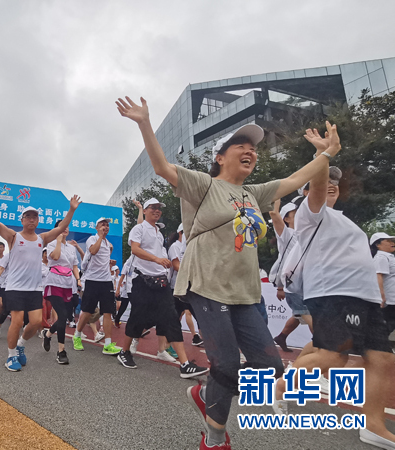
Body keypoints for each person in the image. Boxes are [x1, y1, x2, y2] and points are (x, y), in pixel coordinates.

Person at [117, 95, 343, 449]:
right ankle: (215, 438)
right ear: (220, 157)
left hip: (244, 293)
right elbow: (161, 167)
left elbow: (294, 179)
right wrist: (145, 122)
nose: (250, 150)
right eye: (241, 145)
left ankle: (205, 395)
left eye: (253, 147)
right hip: (207, 285)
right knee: (225, 364)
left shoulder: (254, 193)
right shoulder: (204, 185)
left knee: (270, 367)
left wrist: (325, 155)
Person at [273, 156, 395, 449]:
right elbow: (317, 188)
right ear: (307, 191)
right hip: (335, 293)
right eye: (325, 181)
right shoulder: (310, 214)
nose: (331, 185)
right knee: (332, 357)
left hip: (364, 297)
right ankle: (282, 386)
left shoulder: (343, 218)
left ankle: (374, 427)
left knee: (383, 359)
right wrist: (323, 156)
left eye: (335, 183)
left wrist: (375, 293)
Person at [0, 187, 81, 372]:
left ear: (38, 220)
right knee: (17, 322)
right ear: (22, 220)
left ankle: (20, 345)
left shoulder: (42, 239)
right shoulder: (13, 236)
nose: (31, 219)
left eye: (35, 217)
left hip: (34, 288)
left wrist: (72, 210)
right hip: (15, 287)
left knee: (35, 322)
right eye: (28, 216)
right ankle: (11, 356)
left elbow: (60, 228)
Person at [116, 198, 209, 378]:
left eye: (159, 208)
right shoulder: (139, 229)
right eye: (153, 208)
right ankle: (124, 351)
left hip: (161, 283)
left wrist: (163, 268)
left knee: (171, 318)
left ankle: (185, 364)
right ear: (145, 210)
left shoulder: (159, 233)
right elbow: (135, 249)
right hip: (141, 280)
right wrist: (157, 259)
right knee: (137, 317)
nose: (157, 210)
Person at [72, 217, 122, 355]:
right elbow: (93, 251)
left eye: (107, 225)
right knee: (87, 312)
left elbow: (101, 260)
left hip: (106, 281)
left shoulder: (108, 243)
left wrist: (110, 263)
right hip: (92, 280)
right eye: (102, 225)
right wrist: (100, 236)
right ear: (97, 228)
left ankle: (108, 344)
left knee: (108, 312)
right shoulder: (92, 239)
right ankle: (77, 335)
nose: (105, 227)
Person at [269, 199, 313, 352]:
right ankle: (321, 346)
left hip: (306, 284)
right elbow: (274, 214)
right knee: (310, 316)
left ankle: (282, 336)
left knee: (299, 315)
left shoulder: (306, 234)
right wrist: (277, 197)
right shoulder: (286, 234)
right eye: (296, 213)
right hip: (292, 285)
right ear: (286, 219)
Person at [41, 219, 81, 364]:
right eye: (61, 227)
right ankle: (61, 351)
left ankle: (48, 334)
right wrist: (58, 241)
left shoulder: (71, 248)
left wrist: (78, 280)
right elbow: (56, 257)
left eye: (66, 226)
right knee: (62, 315)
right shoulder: (51, 244)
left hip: (68, 284)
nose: (65, 229)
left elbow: (74, 266)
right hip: (54, 282)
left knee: (65, 317)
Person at [168, 224, 203, 346]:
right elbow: (176, 265)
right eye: (186, 232)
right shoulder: (175, 247)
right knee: (175, 317)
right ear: (180, 233)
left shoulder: (191, 246)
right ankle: (168, 344)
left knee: (199, 316)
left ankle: (205, 343)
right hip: (177, 288)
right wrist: (192, 273)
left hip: (190, 287)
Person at [371, 232, 395, 335]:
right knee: (387, 325)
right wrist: (381, 296)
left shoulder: (389, 256)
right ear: (378, 245)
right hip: (389, 300)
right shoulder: (381, 257)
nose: (392, 243)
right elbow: (378, 276)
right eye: (388, 241)